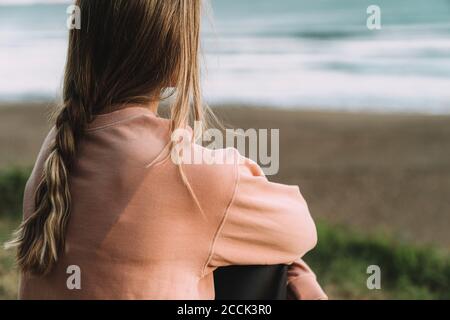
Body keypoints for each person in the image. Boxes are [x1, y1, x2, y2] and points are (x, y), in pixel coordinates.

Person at [6, 0, 326, 300]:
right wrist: (228, 169)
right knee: (278, 265)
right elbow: (300, 229)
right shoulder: (188, 172)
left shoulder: (58, 146)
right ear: (175, 55)